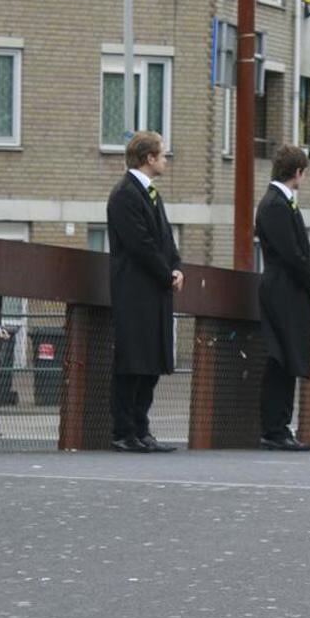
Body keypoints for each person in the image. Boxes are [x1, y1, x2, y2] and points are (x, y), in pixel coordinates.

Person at [106, 131, 181, 453]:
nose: (165, 159)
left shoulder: (151, 194)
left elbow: (165, 239)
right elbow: (140, 245)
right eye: (162, 154)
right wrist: (166, 274)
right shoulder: (125, 194)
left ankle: (142, 427)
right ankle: (125, 431)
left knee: (151, 363)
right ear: (149, 158)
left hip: (156, 291)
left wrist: (176, 267)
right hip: (135, 292)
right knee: (133, 363)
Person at [254, 144, 310, 451]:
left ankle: (281, 426)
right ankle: (274, 429)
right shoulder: (274, 205)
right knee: (280, 358)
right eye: (305, 172)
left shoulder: (284, 203)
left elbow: (304, 249)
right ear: (297, 172)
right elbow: (291, 253)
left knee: (287, 357)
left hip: (289, 288)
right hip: (281, 289)